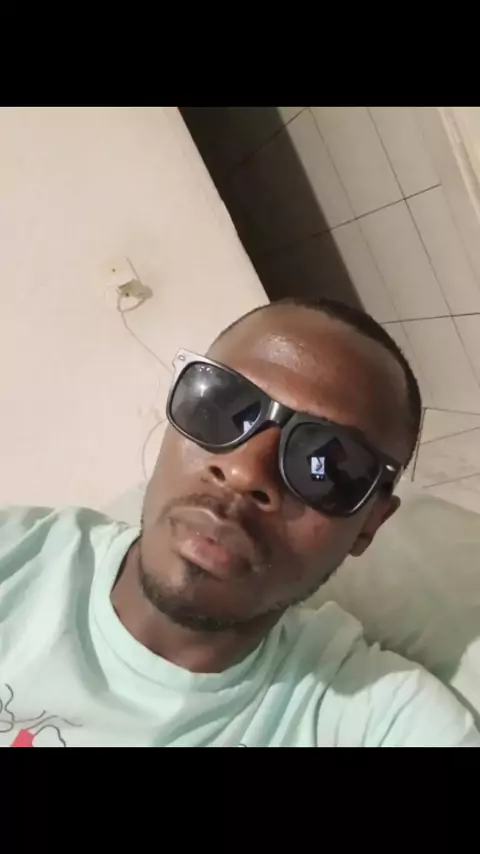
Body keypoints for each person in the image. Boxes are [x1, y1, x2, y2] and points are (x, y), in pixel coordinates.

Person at [1, 297, 478, 748]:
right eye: (223, 407)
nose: (244, 471)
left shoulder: (376, 720)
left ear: (369, 525)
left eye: (324, 466)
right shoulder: (17, 556)